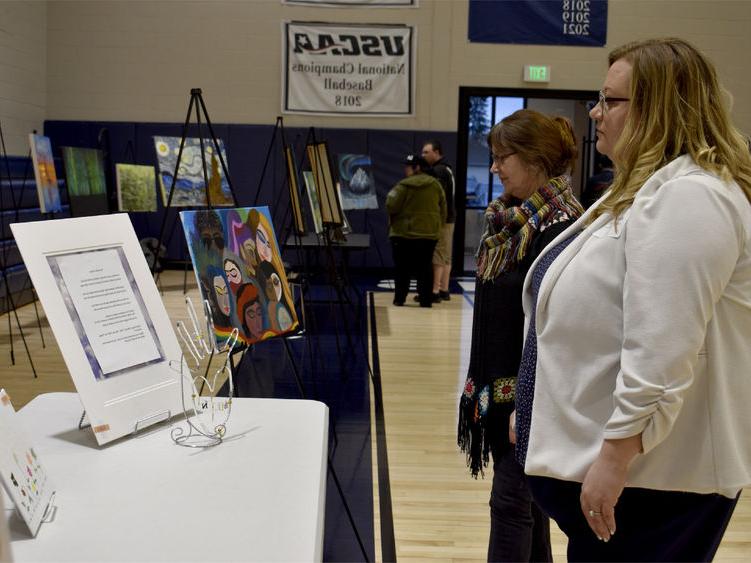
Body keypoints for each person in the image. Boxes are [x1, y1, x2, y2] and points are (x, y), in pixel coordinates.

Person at [513, 38, 751, 562]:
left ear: (661, 108)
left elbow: (661, 348)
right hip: (630, 479)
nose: (595, 113)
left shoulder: (691, 196)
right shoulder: (642, 188)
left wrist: (617, 458)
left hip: (656, 484)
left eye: (610, 100)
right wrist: (534, 406)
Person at [457, 109, 584, 562]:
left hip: (532, 397)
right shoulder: (508, 222)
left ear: (534, 159)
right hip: (504, 393)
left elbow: (560, 329)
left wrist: (530, 401)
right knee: (526, 504)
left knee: (511, 505)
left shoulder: (565, 228)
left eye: (501, 157)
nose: (494, 168)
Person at [386, 154, 446, 307]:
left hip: (402, 234)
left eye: (407, 166)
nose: (405, 169)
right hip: (428, 235)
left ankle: (399, 299)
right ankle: (425, 300)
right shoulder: (436, 185)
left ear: (416, 168)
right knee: (425, 268)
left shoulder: (403, 185)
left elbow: (391, 205)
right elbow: (443, 209)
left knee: (402, 269)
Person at [422, 139, 455, 302]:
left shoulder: (439, 171)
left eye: (426, 152)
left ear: (436, 152)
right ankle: (444, 289)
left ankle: (434, 291)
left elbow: (438, 197)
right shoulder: (447, 168)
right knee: (446, 255)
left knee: (439, 255)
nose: (423, 155)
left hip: (443, 219)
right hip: (449, 218)